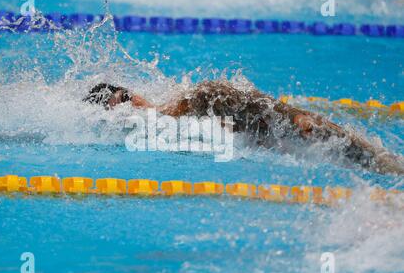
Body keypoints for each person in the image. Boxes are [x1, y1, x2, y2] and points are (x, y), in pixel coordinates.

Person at [83, 81, 404, 175]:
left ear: (133, 92)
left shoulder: (186, 101)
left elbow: (249, 102)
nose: (130, 106)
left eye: (126, 97)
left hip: (298, 128)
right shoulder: (162, 130)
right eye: (120, 106)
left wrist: (296, 119)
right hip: (284, 141)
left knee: (384, 167)